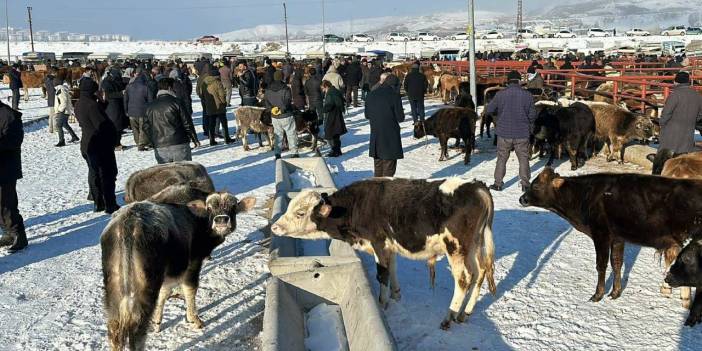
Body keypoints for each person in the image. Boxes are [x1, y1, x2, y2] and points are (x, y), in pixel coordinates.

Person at [485, 70, 536, 192]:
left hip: (503, 132)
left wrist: (499, 114)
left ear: (508, 81)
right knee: (523, 158)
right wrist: (527, 122)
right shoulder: (527, 95)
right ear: (519, 81)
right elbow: (533, 115)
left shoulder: (500, 94)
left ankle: (498, 183)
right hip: (522, 133)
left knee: (502, 158)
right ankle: (525, 184)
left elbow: (489, 110)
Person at [74, 79, 120, 214]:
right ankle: (110, 204)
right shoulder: (92, 105)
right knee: (107, 174)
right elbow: (101, 125)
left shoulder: (80, 103)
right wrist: (114, 137)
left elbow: (93, 116)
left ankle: (98, 202)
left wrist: (102, 103)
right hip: (100, 144)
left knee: (94, 173)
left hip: (87, 143)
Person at [143, 78, 200, 164]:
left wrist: (153, 141)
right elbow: (187, 123)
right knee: (184, 173)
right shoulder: (177, 102)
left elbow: (146, 127)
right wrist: (194, 139)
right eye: (174, 87)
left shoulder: (150, 106)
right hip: (179, 143)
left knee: (168, 175)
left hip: (160, 145)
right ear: (170, 88)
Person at [0, 100, 27, 252]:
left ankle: (18, 234)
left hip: (6, 168)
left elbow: (14, 140)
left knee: (6, 203)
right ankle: (7, 232)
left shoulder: (8, 115)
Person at [365, 73, 405, 177]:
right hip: (390, 136)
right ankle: (384, 191)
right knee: (389, 169)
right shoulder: (394, 96)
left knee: (378, 167)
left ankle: (377, 191)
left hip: (376, 135)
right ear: (395, 85)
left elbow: (367, 115)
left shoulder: (371, 94)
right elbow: (400, 118)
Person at [657, 72, 702, 156]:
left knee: (665, 156)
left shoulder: (674, 95)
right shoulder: (697, 95)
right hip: (688, 131)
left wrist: (662, 123)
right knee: (683, 156)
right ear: (688, 82)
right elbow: (700, 114)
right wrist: (692, 121)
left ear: (676, 82)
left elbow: (667, 113)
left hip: (671, 131)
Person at [265, 71, 298, 159]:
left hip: (275, 117)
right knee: (291, 134)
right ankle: (294, 153)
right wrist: (281, 110)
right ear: (282, 77)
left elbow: (266, 102)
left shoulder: (268, 89)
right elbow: (287, 102)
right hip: (286, 115)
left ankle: (277, 153)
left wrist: (272, 109)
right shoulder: (286, 88)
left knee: (277, 135)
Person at [202, 69, 233, 145]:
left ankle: (212, 140)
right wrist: (224, 103)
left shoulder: (204, 83)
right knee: (224, 123)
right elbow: (222, 95)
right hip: (219, 107)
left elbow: (202, 94)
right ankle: (227, 138)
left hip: (209, 106)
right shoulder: (218, 83)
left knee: (211, 124)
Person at [124, 70, 153, 151]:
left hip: (131, 111)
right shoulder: (146, 87)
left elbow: (125, 99)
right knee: (143, 128)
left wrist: (126, 110)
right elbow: (150, 101)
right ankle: (141, 144)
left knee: (135, 129)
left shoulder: (128, 87)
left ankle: (138, 142)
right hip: (142, 111)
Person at [101, 67, 128, 150]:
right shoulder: (106, 82)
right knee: (115, 127)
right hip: (112, 107)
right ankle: (114, 144)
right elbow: (109, 95)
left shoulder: (117, 81)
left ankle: (117, 143)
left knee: (119, 128)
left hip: (119, 106)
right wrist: (121, 93)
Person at [321, 80, 347, 157]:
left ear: (326, 86)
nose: (323, 90)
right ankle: (338, 150)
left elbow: (329, 105)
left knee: (330, 133)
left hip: (332, 115)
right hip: (337, 114)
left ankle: (334, 150)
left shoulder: (330, 93)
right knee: (336, 133)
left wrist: (323, 110)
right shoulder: (335, 90)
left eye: (323, 88)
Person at [53, 78, 79, 147]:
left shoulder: (60, 89)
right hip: (64, 110)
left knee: (58, 125)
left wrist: (60, 110)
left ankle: (61, 141)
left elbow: (63, 101)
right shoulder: (60, 89)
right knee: (65, 124)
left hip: (63, 111)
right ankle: (74, 137)